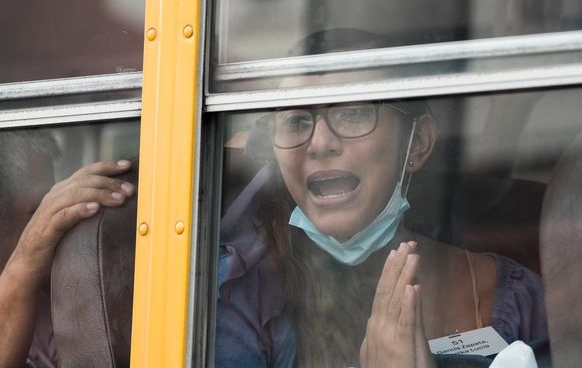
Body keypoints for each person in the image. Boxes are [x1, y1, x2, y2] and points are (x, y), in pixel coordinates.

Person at [216, 29, 547, 367]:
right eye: (296, 120)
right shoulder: (236, 298)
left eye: (354, 113)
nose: (319, 143)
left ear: (417, 143)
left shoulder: (509, 298)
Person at [0, 129, 135, 367]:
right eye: (35, 212)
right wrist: (24, 260)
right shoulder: (21, 284)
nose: (48, 226)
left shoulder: (50, 309)